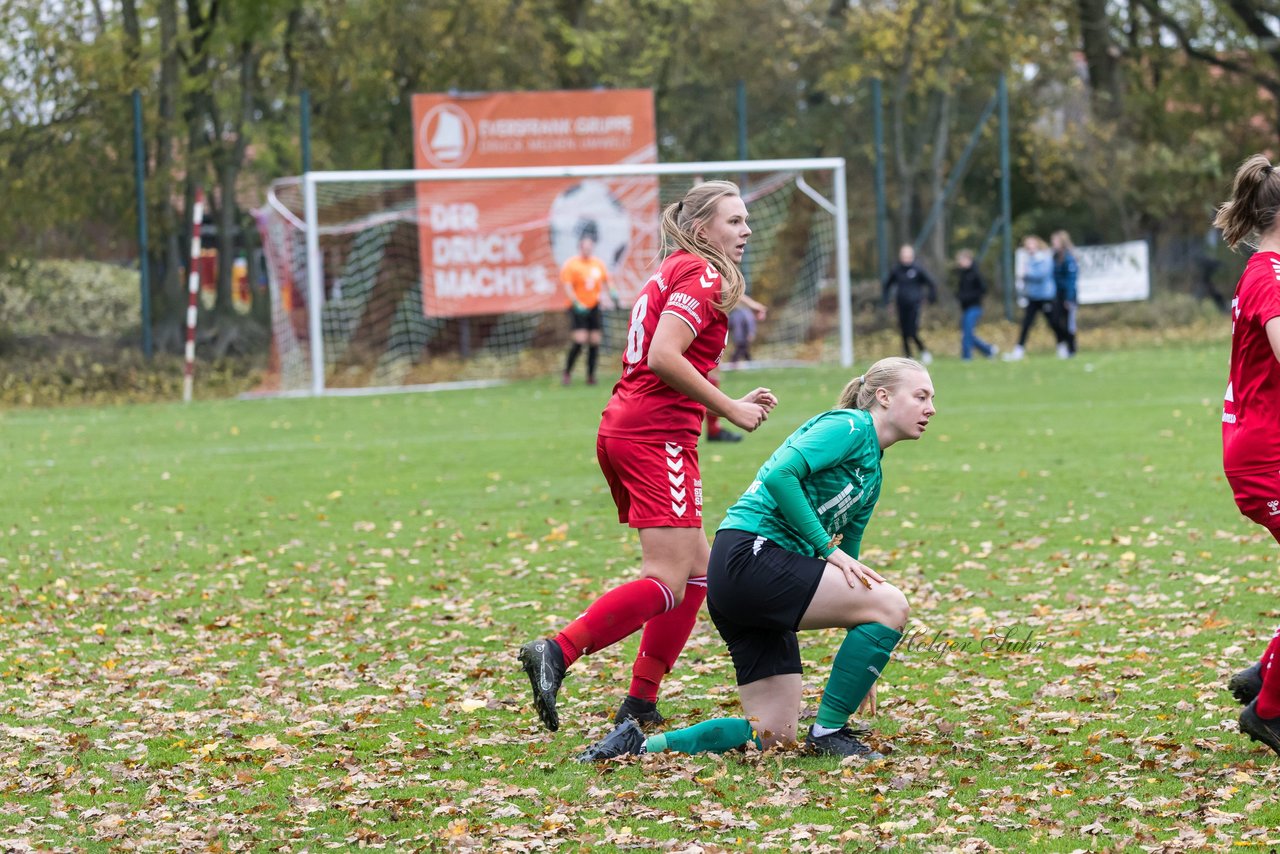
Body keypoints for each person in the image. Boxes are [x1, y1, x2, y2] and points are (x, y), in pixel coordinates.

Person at [577, 357, 934, 762]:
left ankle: (637, 744)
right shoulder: (849, 426)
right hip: (750, 556)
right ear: (883, 397)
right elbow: (782, 475)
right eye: (920, 395)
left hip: (749, 580)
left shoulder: (873, 474)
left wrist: (863, 659)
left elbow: (851, 565)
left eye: (931, 399)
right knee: (893, 603)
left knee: (773, 735)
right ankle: (830, 733)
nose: (931, 408)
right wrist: (828, 552)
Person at [519, 181, 779, 732]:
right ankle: (559, 650)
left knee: (700, 574)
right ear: (702, 228)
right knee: (667, 580)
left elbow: (671, 358)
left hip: (635, 427)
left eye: (746, 220)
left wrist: (721, 400)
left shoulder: (674, 269)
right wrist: (729, 408)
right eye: (733, 221)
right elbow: (664, 356)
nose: (746, 230)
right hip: (654, 437)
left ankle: (641, 701)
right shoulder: (702, 275)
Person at [1211, 155, 1280, 756]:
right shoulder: (1270, 276)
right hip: (1266, 457)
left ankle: (1265, 675)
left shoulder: (1268, 268)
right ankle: (1271, 709)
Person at [560, 224, 620, 386]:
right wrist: (576, 302)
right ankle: (567, 372)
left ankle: (591, 376)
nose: (588, 249)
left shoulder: (597, 264)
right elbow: (567, 286)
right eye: (585, 247)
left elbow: (608, 281)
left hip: (594, 306)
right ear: (580, 247)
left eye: (590, 247)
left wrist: (612, 293)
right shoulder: (572, 264)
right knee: (580, 340)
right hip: (578, 307)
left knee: (594, 341)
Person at [1004, 235, 1062, 361]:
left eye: (1032, 245)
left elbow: (1041, 275)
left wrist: (1026, 274)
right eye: (1027, 246)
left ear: (1037, 245)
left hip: (1046, 296)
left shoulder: (1045, 258)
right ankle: (1019, 350)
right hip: (1033, 297)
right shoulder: (1028, 260)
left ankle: (1062, 346)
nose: (1029, 248)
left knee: (1053, 322)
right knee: (1026, 324)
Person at [882, 245, 937, 364]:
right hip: (901, 305)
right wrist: (888, 302)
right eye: (904, 255)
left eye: (908, 255)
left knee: (912, 331)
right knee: (904, 332)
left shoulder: (917, 269)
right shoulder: (896, 270)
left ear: (912, 256)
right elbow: (886, 286)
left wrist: (929, 299)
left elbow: (931, 284)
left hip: (914, 305)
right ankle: (909, 358)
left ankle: (924, 351)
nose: (906, 258)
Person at [954, 249, 997, 360]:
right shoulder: (962, 274)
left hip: (974, 307)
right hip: (966, 308)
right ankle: (989, 350)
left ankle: (966, 357)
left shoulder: (975, 273)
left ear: (968, 259)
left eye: (962, 260)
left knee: (967, 333)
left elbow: (982, 289)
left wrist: (968, 296)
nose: (960, 263)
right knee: (967, 334)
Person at [1051, 230, 1079, 358]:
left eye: (1055, 241)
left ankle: (1072, 349)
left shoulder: (1069, 258)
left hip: (1068, 296)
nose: (1053, 244)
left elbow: (1071, 280)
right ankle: (1063, 344)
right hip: (1057, 295)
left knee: (1069, 324)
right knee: (1055, 321)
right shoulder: (1054, 257)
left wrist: (1069, 298)